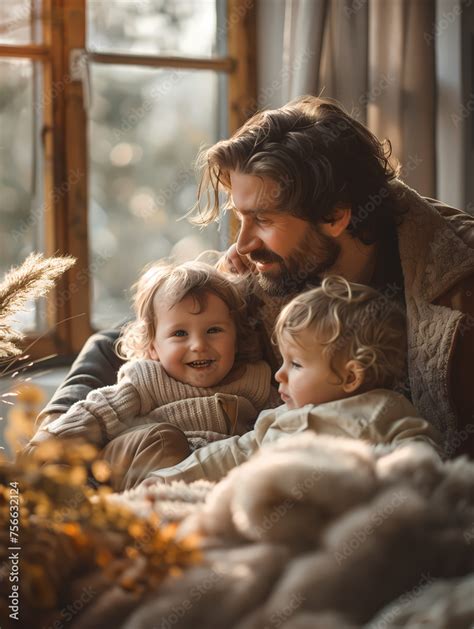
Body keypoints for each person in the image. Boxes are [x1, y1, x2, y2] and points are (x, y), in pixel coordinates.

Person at [35, 96, 474, 457]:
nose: (241, 244)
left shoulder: (458, 278)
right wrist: (54, 432)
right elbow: (118, 344)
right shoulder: (258, 271)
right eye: (240, 217)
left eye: (262, 218)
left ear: (336, 215)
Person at [141, 276, 442, 486]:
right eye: (283, 360)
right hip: (269, 509)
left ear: (350, 376)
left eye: (295, 364)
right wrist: (171, 477)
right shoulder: (279, 419)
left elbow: (420, 458)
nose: (278, 374)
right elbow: (233, 453)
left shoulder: (383, 411)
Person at [26, 261, 278, 489]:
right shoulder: (146, 380)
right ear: (153, 346)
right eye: (180, 334)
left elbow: (282, 421)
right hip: (139, 459)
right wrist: (48, 441)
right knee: (163, 441)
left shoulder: (255, 380)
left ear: (236, 338)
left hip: (210, 472)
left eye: (214, 330)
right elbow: (99, 411)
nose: (198, 345)